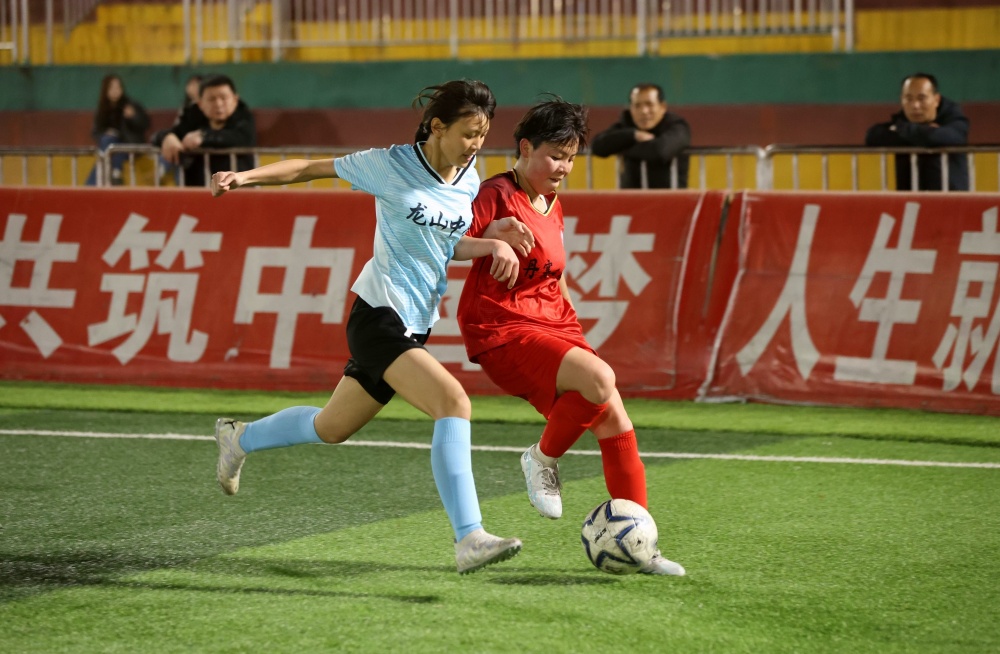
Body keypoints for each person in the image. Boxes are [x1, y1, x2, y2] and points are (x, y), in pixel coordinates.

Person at [208, 79, 524, 575]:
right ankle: (470, 538)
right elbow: (309, 168)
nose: (477, 144)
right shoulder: (390, 164)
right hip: (378, 316)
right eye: (469, 133)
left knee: (330, 427)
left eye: (483, 134)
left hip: (413, 325)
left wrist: (492, 243)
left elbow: (447, 244)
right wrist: (244, 177)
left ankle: (239, 438)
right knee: (453, 403)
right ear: (438, 127)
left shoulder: (468, 178)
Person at [456, 97, 686, 576]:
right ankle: (541, 458)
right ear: (525, 148)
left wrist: (572, 320)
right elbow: (448, 244)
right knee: (601, 380)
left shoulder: (552, 203)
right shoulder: (494, 193)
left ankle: (643, 547)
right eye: (555, 156)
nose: (563, 167)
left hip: (554, 322)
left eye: (571, 158)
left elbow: (554, 274)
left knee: (615, 418)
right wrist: (492, 239)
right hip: (502, 326)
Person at [864, 73, 970, 191]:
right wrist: (923, 131)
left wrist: (905, 132)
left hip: (949, 197)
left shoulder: (955, 121)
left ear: (936, 99)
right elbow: (872, 136)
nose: (915, 105)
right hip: (910, 198)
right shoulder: (901, 121)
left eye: (921, 98)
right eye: (908, 99)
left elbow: (941, 137)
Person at [153, 74, 256, 187]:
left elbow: (242, 137)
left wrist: (203, 137)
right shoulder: (193, 114)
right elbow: (159, 137)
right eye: (211, 99)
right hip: (197, 190)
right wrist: (167, 137)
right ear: (200, 103)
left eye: (224, 98)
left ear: (235, 99)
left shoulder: (243, 115)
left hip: (237, 190)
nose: (218, 104)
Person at [590, 83, 690, 189]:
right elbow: (597, 146)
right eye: (637, 106)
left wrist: (622, 147)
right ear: (631, 108)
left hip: (669, 197)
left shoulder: (677, 126)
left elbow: (660, 151)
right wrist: (633, 135)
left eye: (649, 104)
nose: (644, 111)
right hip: (631, 197)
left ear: (663, 107)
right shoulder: (627, 124)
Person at [85, 74, 150, 186]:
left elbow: (145, 123)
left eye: (118, 87)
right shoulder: (102, 109)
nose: (115, 91)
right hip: (109, 146)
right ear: (105, 90)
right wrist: (107, 133)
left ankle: (91, 186)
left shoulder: (130, 105)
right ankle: (115, 174)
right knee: (107, 140)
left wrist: (133, 117)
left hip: (128, 144)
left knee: (109, 151)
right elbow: (95, 132)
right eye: (112, 88)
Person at [151, 74, 203, 184]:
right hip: (181, 147)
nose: (193, 87)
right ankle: (160, 173)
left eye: (196, 84)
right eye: (191, 84)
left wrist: (203, 137)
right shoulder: (186, 107)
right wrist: (168, 137)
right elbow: (176, 129)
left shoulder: (203, 109)